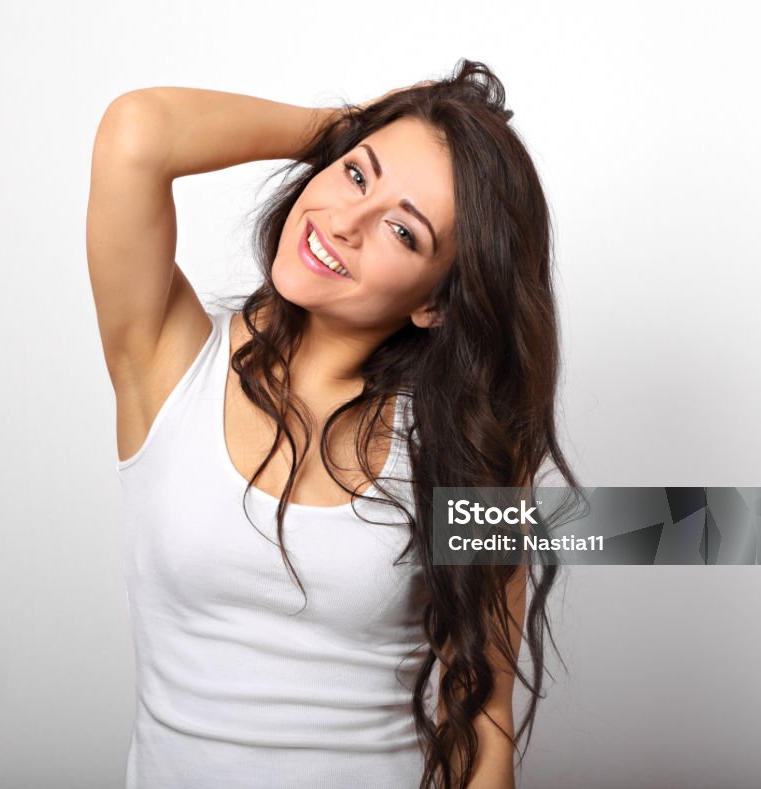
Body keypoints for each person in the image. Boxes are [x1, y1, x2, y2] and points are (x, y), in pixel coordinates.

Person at [86, 58, 580, 789]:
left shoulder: (463, 452)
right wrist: (340, 128)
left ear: (435, 305)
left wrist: (356, 148)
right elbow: (137, 131)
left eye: (402, 231)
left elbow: (482, 722)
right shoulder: (169, 361)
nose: (343, 223)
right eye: (356, 174)